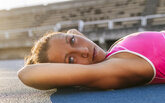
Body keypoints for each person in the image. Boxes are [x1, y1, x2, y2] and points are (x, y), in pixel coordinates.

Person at [17, 29, 165, 90]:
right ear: (72, 70)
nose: (84, 51)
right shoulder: (114, 68)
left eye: (73, 41)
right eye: (70, 60)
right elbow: (26, 74)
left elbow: (72, 31)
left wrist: (70, 38)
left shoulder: (109, 55)